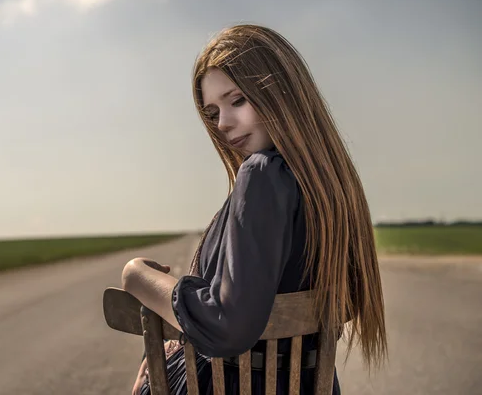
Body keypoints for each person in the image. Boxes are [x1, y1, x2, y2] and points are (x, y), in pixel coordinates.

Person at [120, 23, 388, 395]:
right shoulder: (330, 186)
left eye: (238, 100)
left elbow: (228, 324)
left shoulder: (262, 174)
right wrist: (182, 337)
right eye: (213, 112)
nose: (224, 124)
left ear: (281, 92)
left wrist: (137, 277)